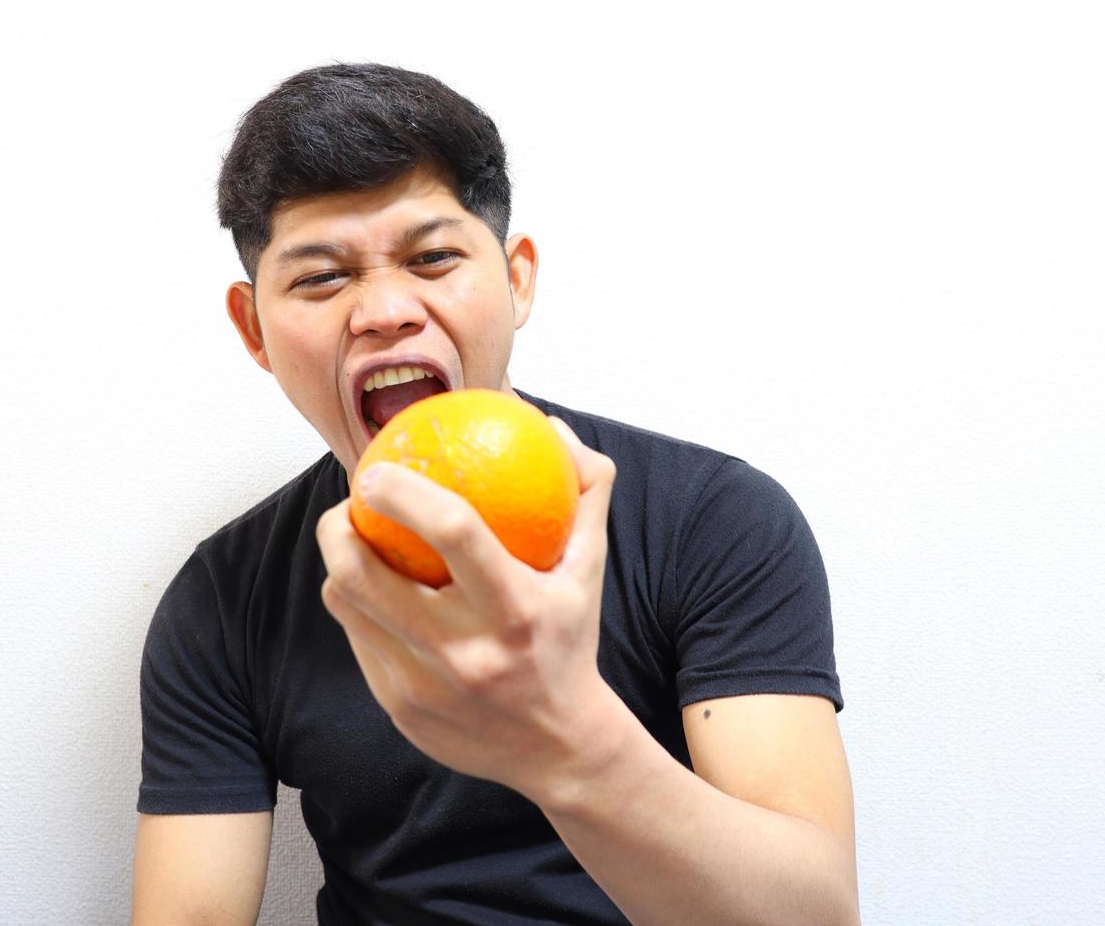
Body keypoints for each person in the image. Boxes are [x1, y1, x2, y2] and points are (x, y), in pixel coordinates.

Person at [131, 62, 859, 926]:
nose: (385, 309)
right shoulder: (224, 595)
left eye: (433, 257)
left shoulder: (712, 517)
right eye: (323, 277)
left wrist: (567, 738)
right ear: (254, 328)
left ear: (516, 281)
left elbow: (814, 915)